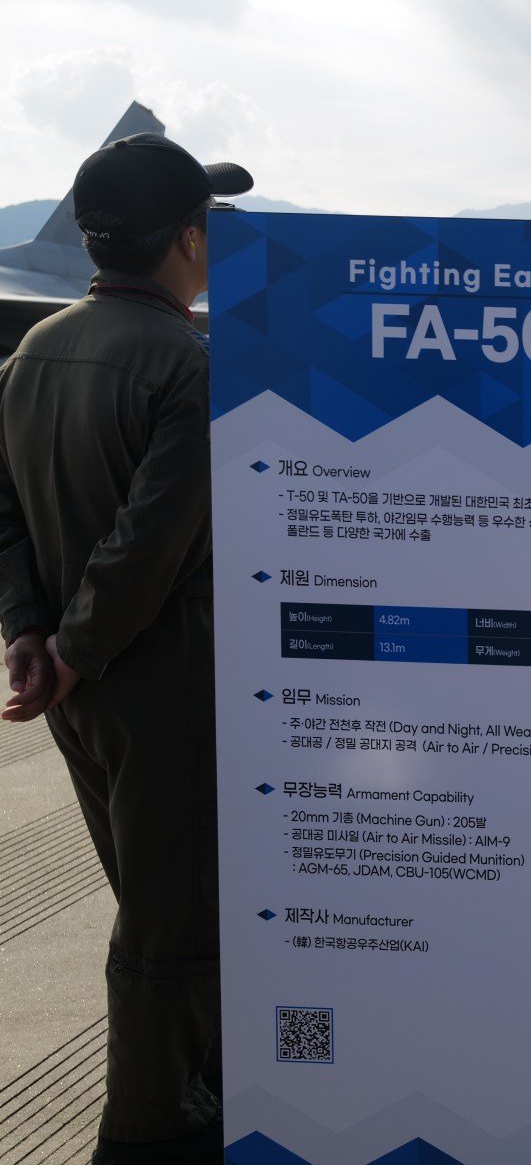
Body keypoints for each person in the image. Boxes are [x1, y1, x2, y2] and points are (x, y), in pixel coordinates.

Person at [0, 132, 252, 1164]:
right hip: (165, 689)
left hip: (81, 696)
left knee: (158, 904)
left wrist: (31, 635)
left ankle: (202, 1092)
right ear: (187, 239)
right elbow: (147, 544)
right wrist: (72, 643)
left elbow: (7, 513)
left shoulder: (29, 356)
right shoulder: (187, 369)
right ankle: (150, 1130)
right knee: (174, 928)